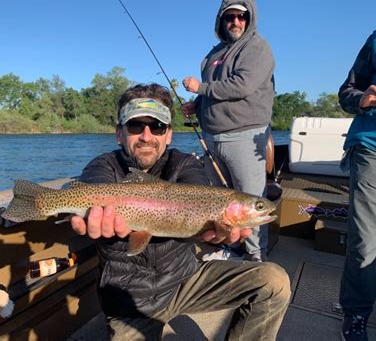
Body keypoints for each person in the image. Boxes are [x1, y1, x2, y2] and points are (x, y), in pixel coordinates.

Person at [70, 83, 290, 340]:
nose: (146, 136)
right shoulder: (103, 166)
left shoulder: (184, 164)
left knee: (273, 281)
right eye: (135, 126)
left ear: (169, 134)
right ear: (119, 134)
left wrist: (209, 232)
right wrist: (85, 207)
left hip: (185, 281)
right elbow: (93, 185)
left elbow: (196, 193)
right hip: (128, 300)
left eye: (158, 127)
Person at [181, 0, 275, 262]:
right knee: (221, 204)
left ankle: (257, 258)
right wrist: (196, 104)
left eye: (241, 16)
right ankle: (230, 249)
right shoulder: (213, 55)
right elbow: (211, 92)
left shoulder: (257, 48)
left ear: (249, 18)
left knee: (251, 204)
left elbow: (242, 85)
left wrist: (201, 87)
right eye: (229, 16)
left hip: (244, 136)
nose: (235, 21)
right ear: (221, 20)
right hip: (211, 138)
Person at [338, 30, 376, 341]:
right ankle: (356, 315)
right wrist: (361, 100)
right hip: (370, 150)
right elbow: (346, 93)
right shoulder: (375, 40)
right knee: (365, 240)